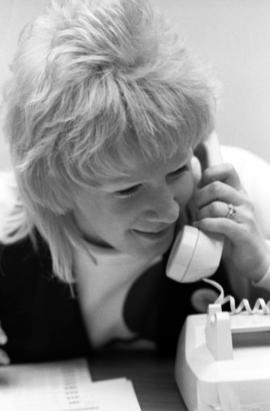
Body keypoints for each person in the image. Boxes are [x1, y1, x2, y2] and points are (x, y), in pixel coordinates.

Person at [1, 0, 270, 365]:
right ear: (55, 189)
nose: (169, 209)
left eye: (177, 170)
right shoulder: (7, 226)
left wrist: (263, 269)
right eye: (127, 189)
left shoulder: (242, 194)